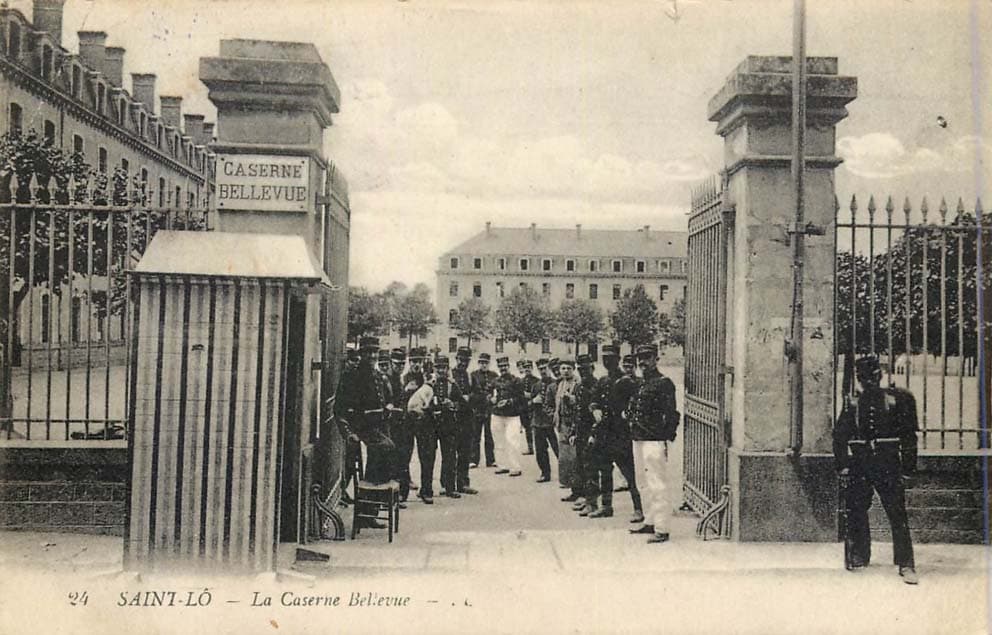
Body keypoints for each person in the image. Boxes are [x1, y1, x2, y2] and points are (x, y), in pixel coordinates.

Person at [833, 355, 919, 585]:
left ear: (879, 376)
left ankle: (906, 563)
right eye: (862, 378)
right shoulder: (851, 404)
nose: (867, 382)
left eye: (871, 377)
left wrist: (908, 470)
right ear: (859, 380)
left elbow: (909, 437)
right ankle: (860, 555)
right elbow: (839, 436)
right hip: (860, 465)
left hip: (888, 464)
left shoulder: (897, 400)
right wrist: (842, 465)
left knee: (897, 514)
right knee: (856, 509)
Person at [334, 337, 396, 527]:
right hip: (360, 428)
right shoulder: (351, 375)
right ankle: (366, 510)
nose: (372, 356)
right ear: (361, 353)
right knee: (385, 450)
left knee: (388, 453)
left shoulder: (378, 375)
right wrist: (348, 433)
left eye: (375, 352)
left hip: (377, 427)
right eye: (368, 352)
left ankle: (371, 510)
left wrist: (388, 407)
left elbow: (386, 398)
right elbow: (339, 409)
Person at [627, 344, 678, 544]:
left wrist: (664, 437)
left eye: (647, 357)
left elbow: (671, 413)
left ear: (656, 358)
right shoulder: (641, 383)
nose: (642, 362)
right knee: (642, 482)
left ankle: (662, 528)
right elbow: (633, 406)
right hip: (638, 438)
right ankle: (650, 520)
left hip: (654, 440)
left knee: (657, 483)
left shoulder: (664, 383)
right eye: (640, 358)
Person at [433, 356, 464, 498]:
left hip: (449, 424)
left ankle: (449, 487)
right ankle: (428, 489)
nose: (441, 370)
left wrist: (451, 404)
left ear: (447, 369)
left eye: (444, 368)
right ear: (435, 369)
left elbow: (462, 403)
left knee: (450, 456)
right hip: (432, 425)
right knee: (429, 457)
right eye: (438, 367)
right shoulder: (429, 383)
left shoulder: (452, 384)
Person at [572, 354, 599, 516]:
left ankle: (593, 503)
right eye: (580, 369)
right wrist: (575, 432)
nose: (583, 372)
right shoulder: (580, 386)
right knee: (582, 465)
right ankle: (587, 500)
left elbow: (598, 412)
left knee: (591, 468)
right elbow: (578, 412)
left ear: (592, 368)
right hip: (581, 431)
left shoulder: (596, 386)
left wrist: (593, 433)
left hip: (591, 432)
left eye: (586, 369)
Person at [490, 355, 526, 477]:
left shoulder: (516, 381)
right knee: (498, 440)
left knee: (512, 440)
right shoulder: (495, 381)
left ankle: (515, 467)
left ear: (509, 366)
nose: (503, 368)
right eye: (501, 366)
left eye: (505, 366)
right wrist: (491, 398)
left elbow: (521, 398)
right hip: (497, 414)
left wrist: (509, 401)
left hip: (512, 415)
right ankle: (502, 465)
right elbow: (486, 393)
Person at [553, 357, 582, 502]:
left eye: (568, 368)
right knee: (565, 460)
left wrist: (572, 399)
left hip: (573, 424)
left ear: (573, 369)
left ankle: (580, 492)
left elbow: (581, 402)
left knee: (575, 459)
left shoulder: (577, 383)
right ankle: (573, 490)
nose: (565, 371)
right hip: (562, 424)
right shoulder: (561, 383)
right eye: (563, 368)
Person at [407, 371, 437, 504]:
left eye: (419, 361)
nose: (416, 364)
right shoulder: (404, 377)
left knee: (427, 457)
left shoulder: (431, 385)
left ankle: (426, 490)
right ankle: (402, 493)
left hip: (425, 424)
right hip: (407, 421)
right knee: (404, 458)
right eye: (413, 361)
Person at [452, 347, 479, 495]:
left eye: (466, 360)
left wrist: (471, 397)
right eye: (461, 360)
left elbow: (480, 395)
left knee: (465, 453)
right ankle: (447, 484)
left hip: (467, 420)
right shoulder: (449, 375)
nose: (463, 363)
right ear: (456, 359)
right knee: (450, 454)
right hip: (452, 419)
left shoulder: (470, 377)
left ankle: (463, 483)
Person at [387, 348, 412, 505]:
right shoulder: (387, 380)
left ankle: (402, 494)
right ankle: (396, 495)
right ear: (391, 363)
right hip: (392, 426)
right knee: (395, 461)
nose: (400, 367)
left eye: (402, 364)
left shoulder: (400, 379)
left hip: (403, 425)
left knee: (403, 459)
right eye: (397, 364)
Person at [531, 358, 560, 483]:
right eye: (540, 369)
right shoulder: (536, 385)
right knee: (540, 450)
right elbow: (528, 405)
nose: (543, 371)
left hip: (552, 422)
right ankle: (545, 473)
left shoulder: (557, 384)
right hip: (538, 422)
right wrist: (533, 401)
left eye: (545, 368)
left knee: (559, 449)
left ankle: (566, 473)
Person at [470, 352, 498, 468]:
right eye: (481, 363)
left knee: (489, 435)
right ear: (478, 363)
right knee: (475, 435)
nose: (484, 365)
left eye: (486, 363)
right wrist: (480, 397)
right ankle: (473, 460)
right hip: (477, 408)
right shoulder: (473, 375)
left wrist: (495, 398)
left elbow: (498, 389)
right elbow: (471, 392)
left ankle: (490, 460)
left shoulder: (494, 375)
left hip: (489, 409)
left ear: (489, 363)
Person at [517, 359, 537, 456]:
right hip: (524, 408)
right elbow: (518, 394)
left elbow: (539, 393)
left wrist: (530, 396)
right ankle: (530, 448)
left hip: (534, 408)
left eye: (529, 367)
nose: (527, 369)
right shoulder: (520, 381)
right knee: (527, 428)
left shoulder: (537, 380)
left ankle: (537, 447)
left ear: (532, 368)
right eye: (525, 367)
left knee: (535, 428)